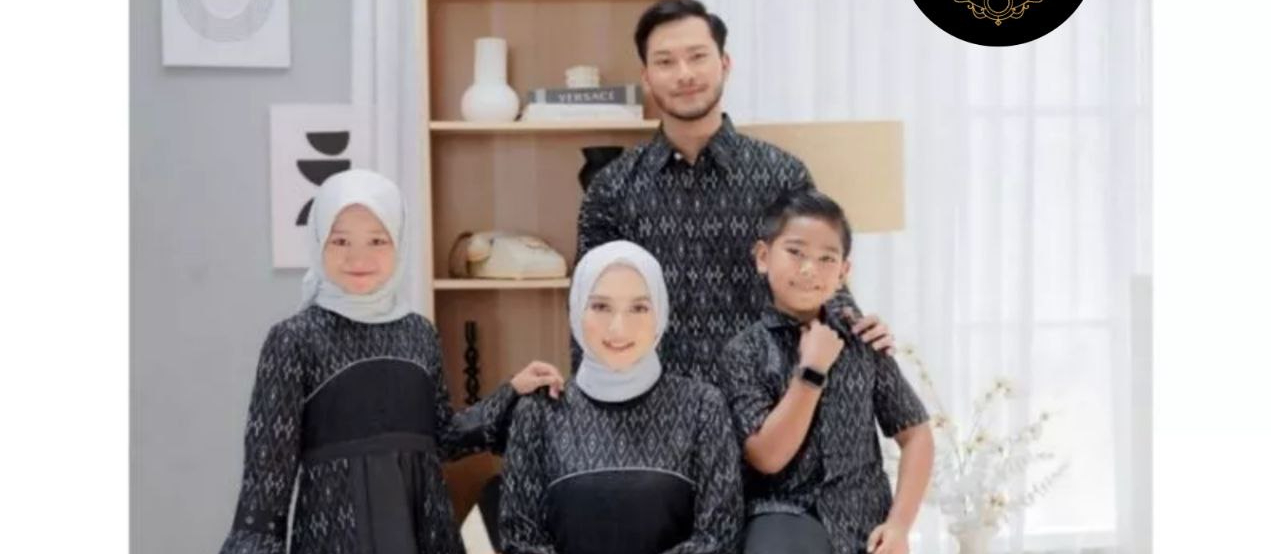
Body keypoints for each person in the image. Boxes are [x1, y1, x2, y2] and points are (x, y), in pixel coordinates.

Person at [218, 169, 564, 554]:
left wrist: (512, 391)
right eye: (340, 240)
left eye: (377, 240)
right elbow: (266, 484)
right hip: (336, 539)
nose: (358, 257)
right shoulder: (293, 340)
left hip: (425, 533)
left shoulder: (419, 334)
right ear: (318, 241)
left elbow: (442, 438)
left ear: (399, 241)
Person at [576, 0, 896, 388]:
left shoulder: (782, 175)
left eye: (697, 57)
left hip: (768, 405)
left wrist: (858, 328)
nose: (684, 74)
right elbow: (588, 311)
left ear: (724, 64)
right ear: (646, 76)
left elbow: (819, 279)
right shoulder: (612, 188)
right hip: (654, 405)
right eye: (666, 62)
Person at [718, 189, 934, 554]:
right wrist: (812, 371)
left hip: (863, 521)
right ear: (763, 257)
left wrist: (899, 526)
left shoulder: (863, 340)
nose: (809, 269)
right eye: (795, 252)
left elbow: (916, 434)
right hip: (783, 517)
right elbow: (767, 456)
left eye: (826, 259)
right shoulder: (744, 351)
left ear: (843, 272)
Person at [500, 241, 742, 554]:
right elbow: (520, 541)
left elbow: (719, 537)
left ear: (660, 312)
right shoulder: (539, 411)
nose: (619, 328)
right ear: (577, 309)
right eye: (601, 307)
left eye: (639, 308)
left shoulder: (702, 407)